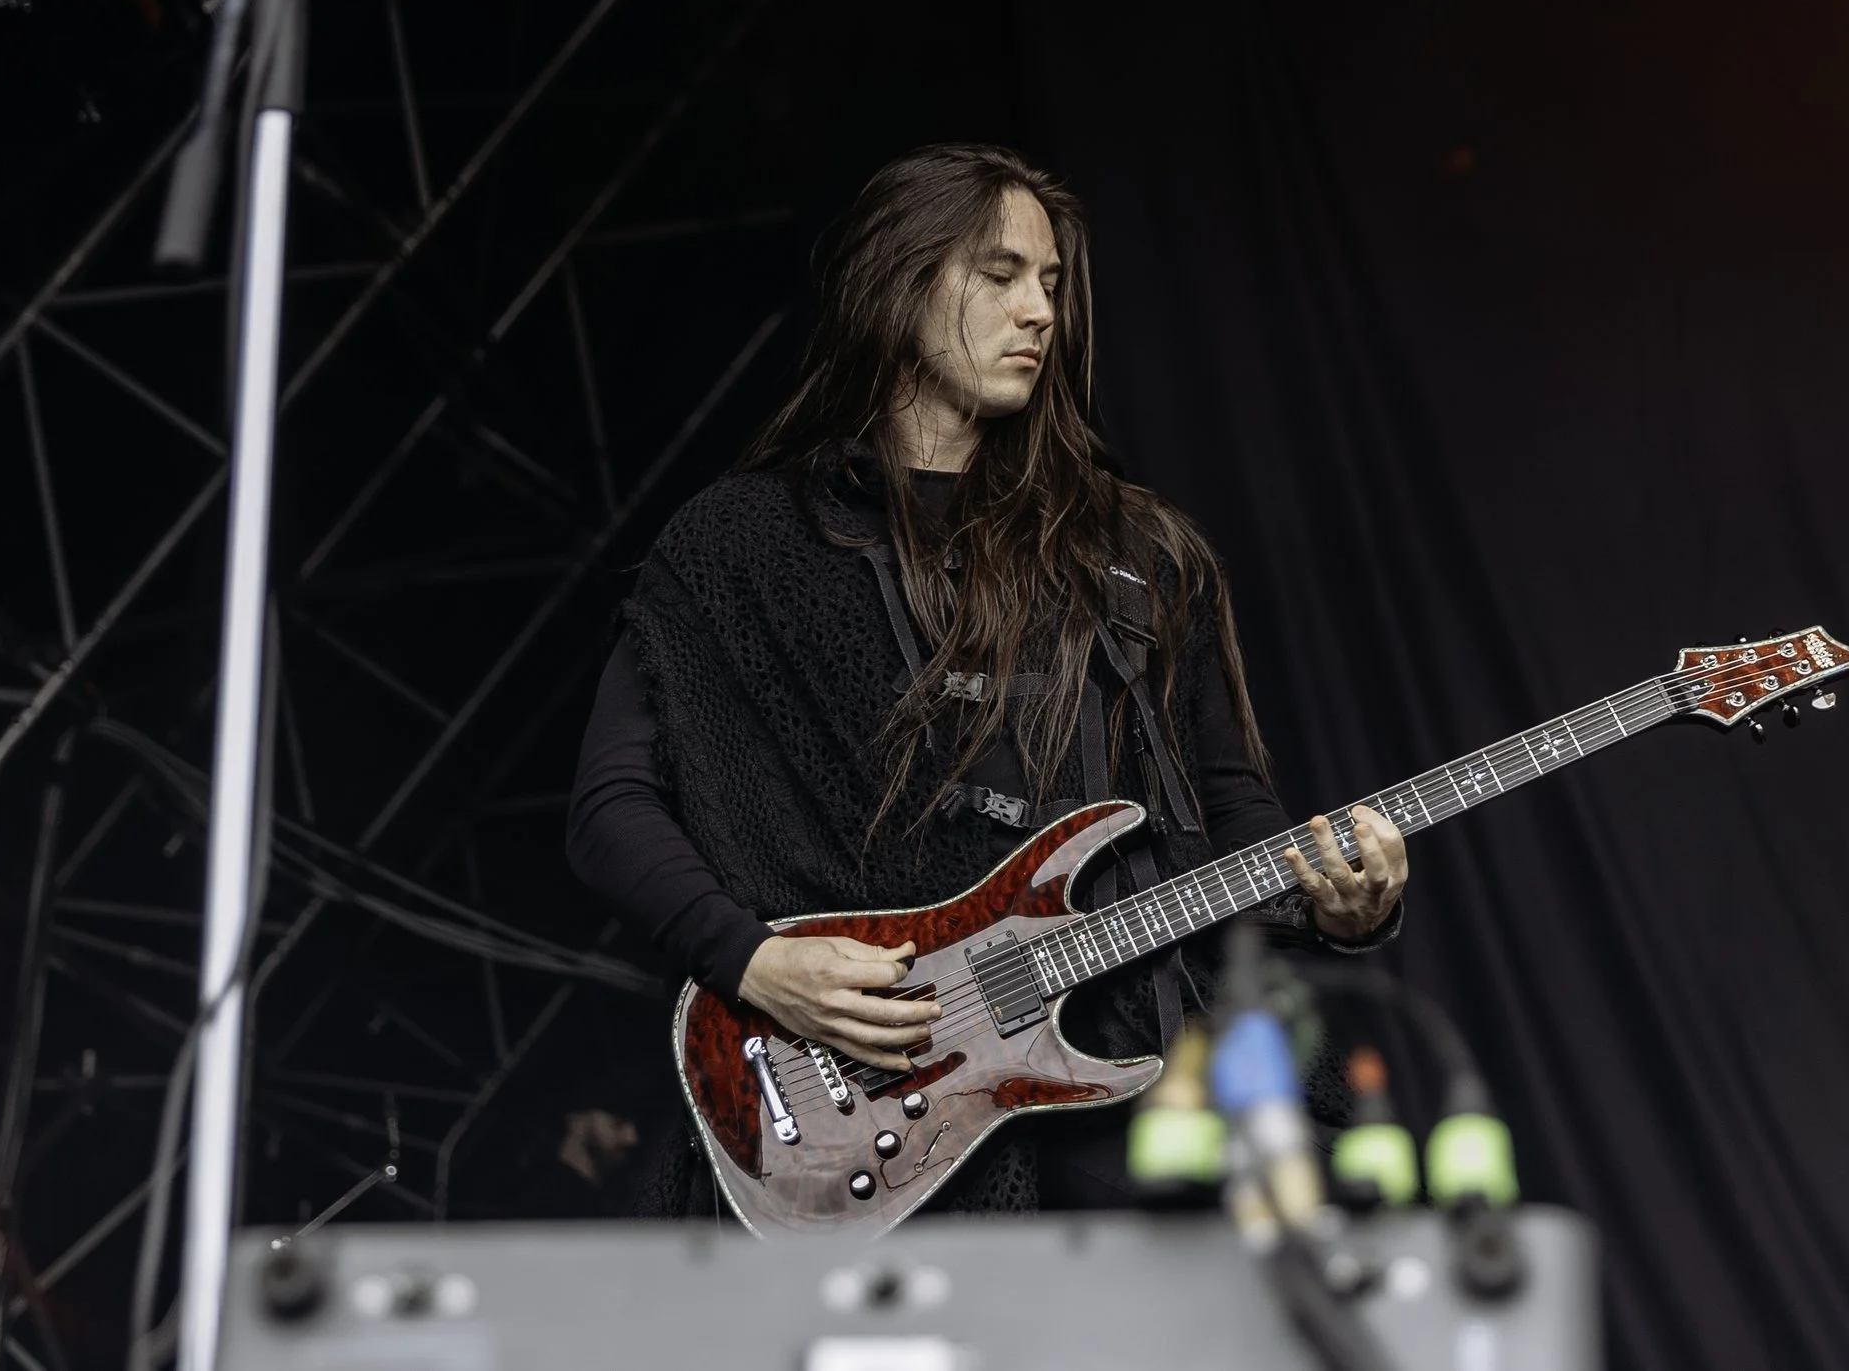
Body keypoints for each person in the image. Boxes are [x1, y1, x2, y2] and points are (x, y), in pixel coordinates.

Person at [567, 142, 1407, 1214]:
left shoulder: (1133, 552)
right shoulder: (742, 546)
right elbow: (609, 807)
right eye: (1000, 274)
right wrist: (753, 961)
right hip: (882, 1110)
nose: (1040, 312)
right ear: (900, 282)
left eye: (1051, 283)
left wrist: (1339, 903)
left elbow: (1226, 814)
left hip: (1148, 1099)